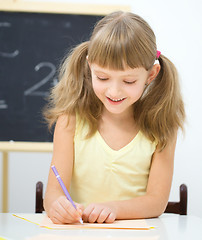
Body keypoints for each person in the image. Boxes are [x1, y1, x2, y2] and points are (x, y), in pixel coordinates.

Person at [43, 11, 185, 224]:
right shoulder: (70, 120)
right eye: (102, 77)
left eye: (128, 81)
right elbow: (53, 195)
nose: (114, 91)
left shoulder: (162, 126)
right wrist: (57, 206)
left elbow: (156, 202)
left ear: (151, 75)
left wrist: (113, 209)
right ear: (90, 66)